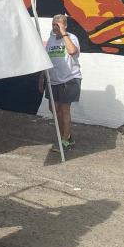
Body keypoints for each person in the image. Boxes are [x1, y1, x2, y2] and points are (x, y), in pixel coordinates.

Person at [41, 13, 81, 153]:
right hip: (53, 80)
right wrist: (42, 79)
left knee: (64, 110)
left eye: (58, 24)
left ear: (65, 25)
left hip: (69, 79)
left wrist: (64, 33)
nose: (55, 27)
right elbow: (46, 59)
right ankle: (67, 135)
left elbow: (72, 51)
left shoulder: (72, 38)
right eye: (53, 24)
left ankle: (64, 141)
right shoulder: (51, 39)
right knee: (54, 109)